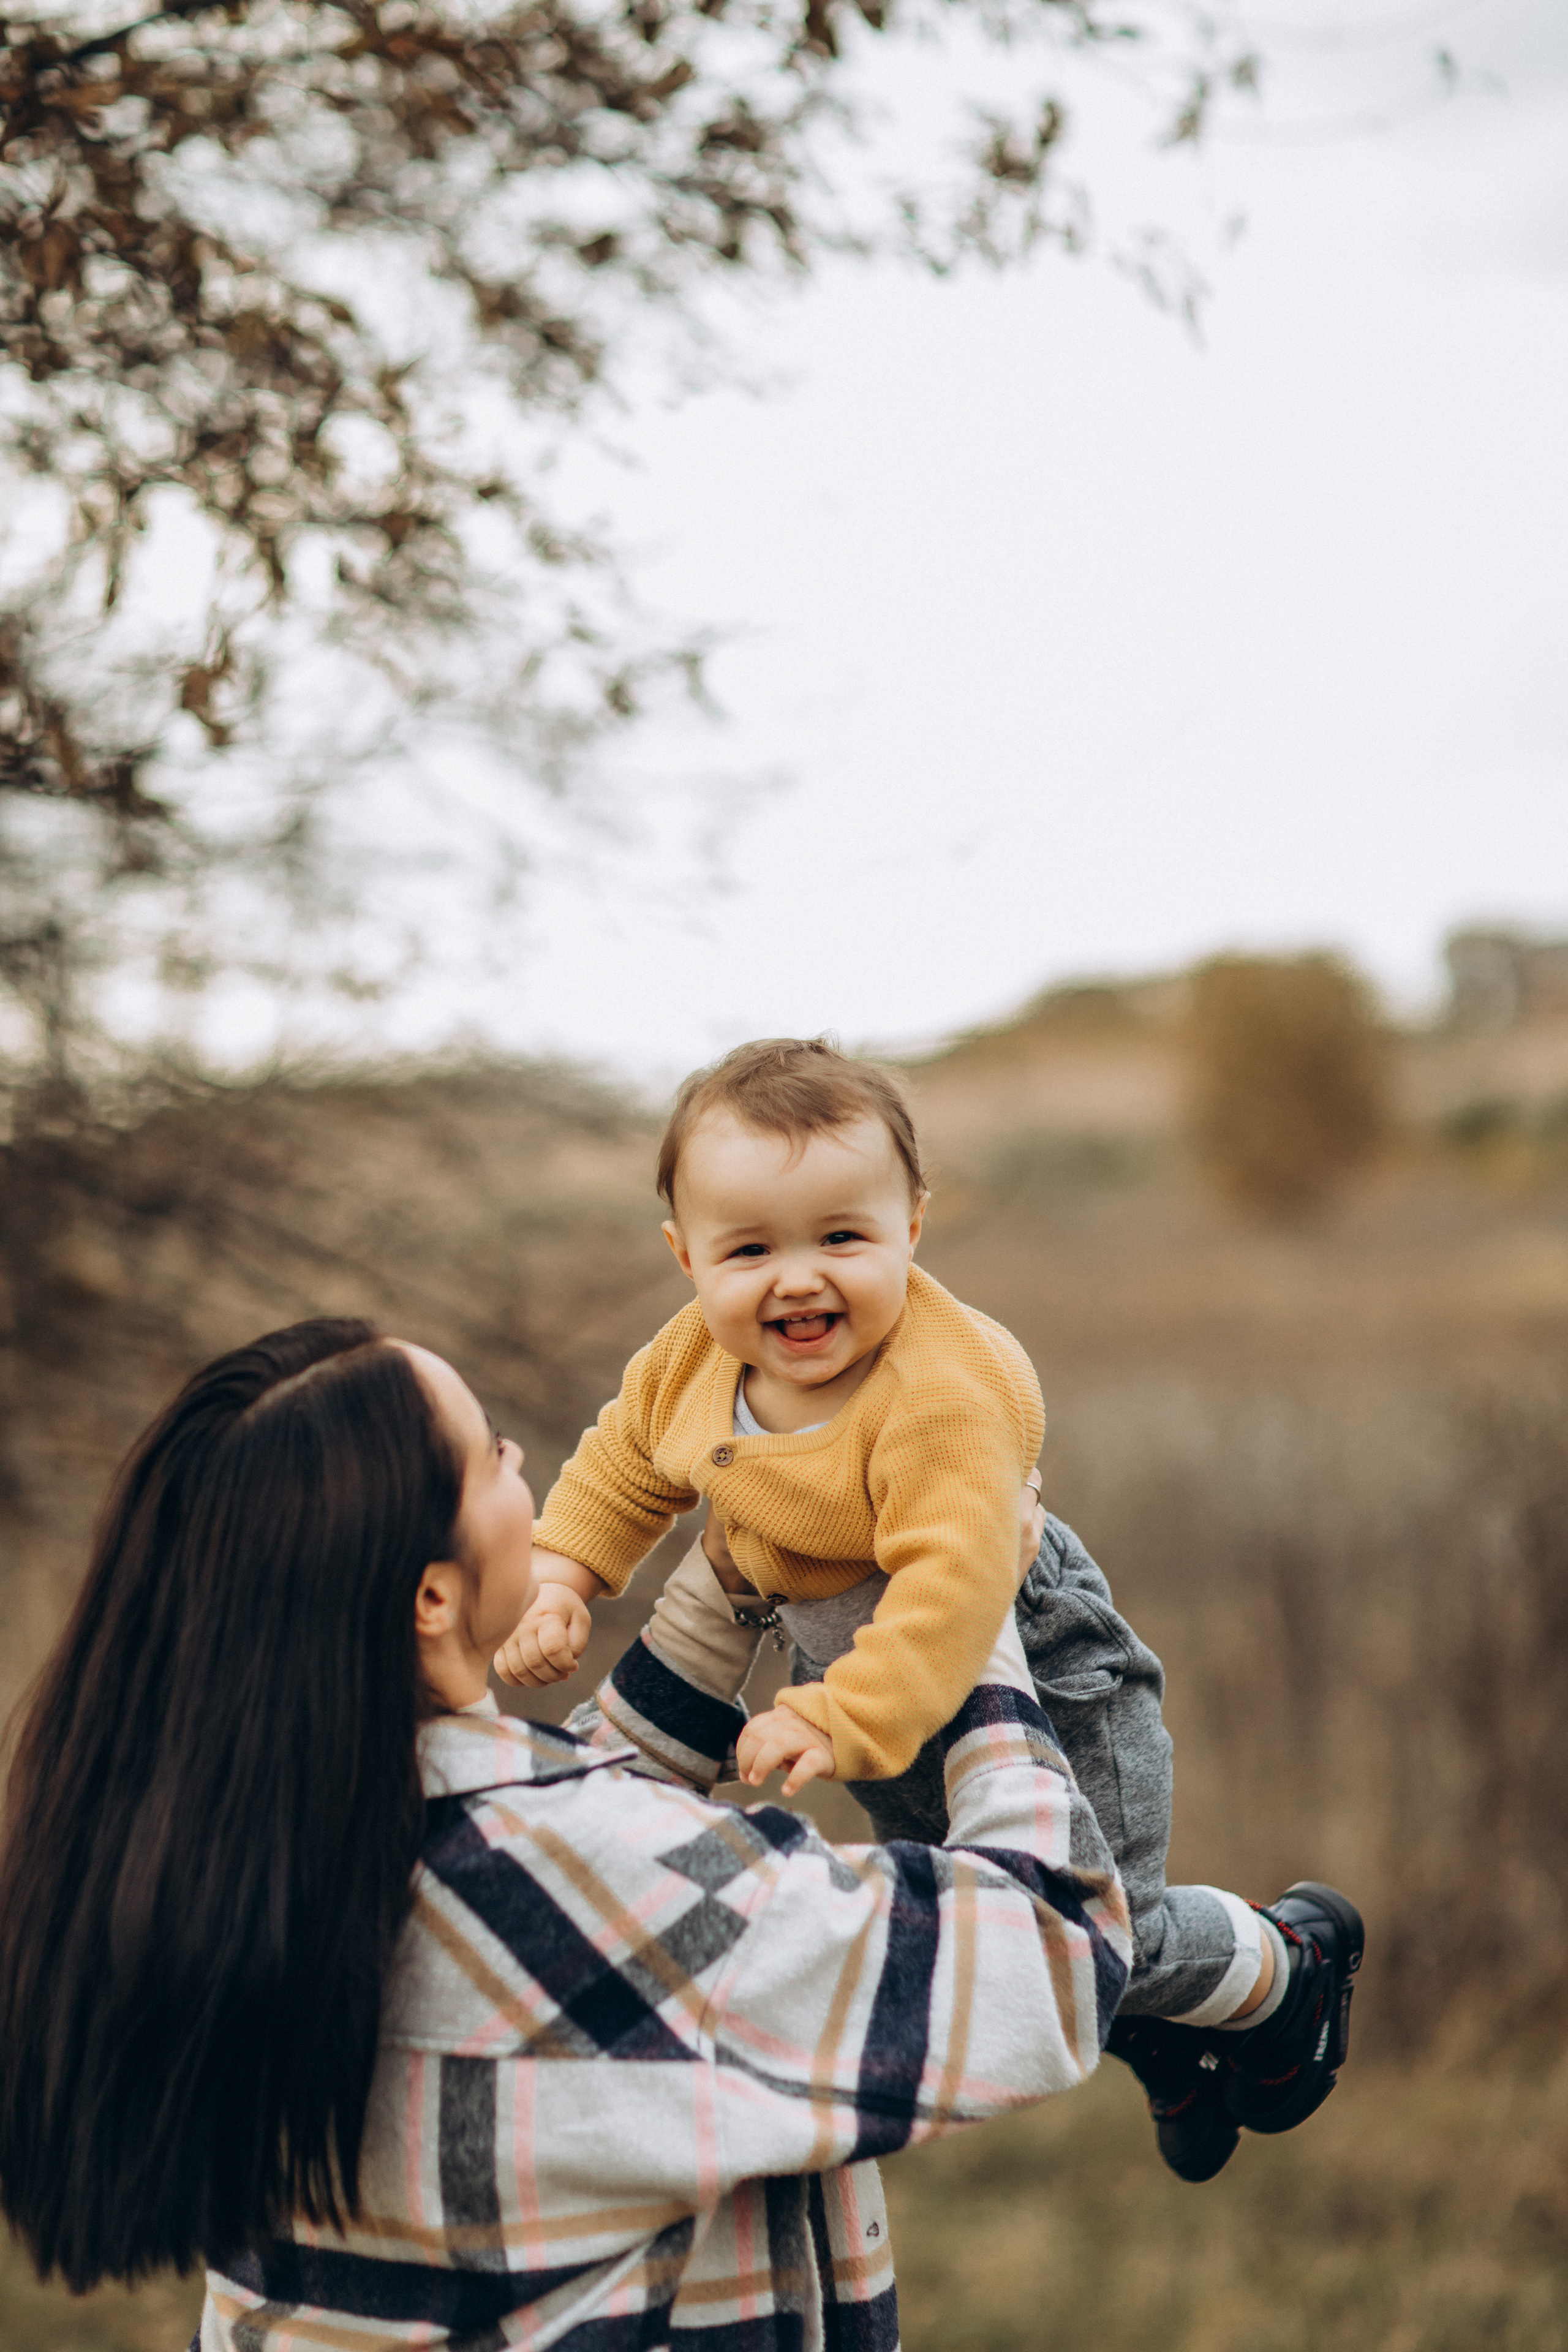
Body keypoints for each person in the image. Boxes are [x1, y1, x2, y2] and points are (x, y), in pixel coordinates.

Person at [0, 1317, 1131, 2349]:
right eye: (489, 1455)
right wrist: (971, 1622)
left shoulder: (234, 1856)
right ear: (432, 1600)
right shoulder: (576, 1885)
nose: (522, 1467)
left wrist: (726, 1579)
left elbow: (562, 1855)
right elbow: (1045, 1957)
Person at [494, 1038, 1365, 2182]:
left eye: (840, 1238)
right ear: (686, 1256)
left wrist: (833, 1717)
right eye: (750, 1248)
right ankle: (1170, 2038)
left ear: (912, 1224)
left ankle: (1288, 1965)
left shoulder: (936, 1399)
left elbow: (955, 1593)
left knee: (1099, 1929)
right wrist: (562, 1575)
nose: (797, 1278)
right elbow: (625, 1462)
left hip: (1037, 1677)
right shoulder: (693, 1361)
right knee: (970, 1941)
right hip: (875, 1693)